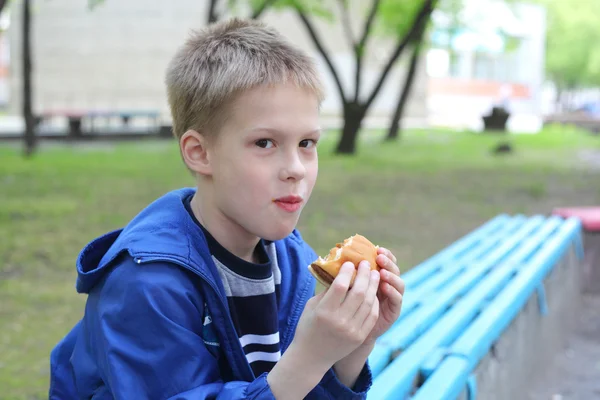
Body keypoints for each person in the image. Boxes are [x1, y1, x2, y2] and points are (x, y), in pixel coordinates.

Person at [49, 18, 405, 400]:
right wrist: (308, 358)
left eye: (307, 143)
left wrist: (351, 349)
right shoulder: (146, 285)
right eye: (265, 143)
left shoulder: (289, 259)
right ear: (200, 153)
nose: (296, 169)